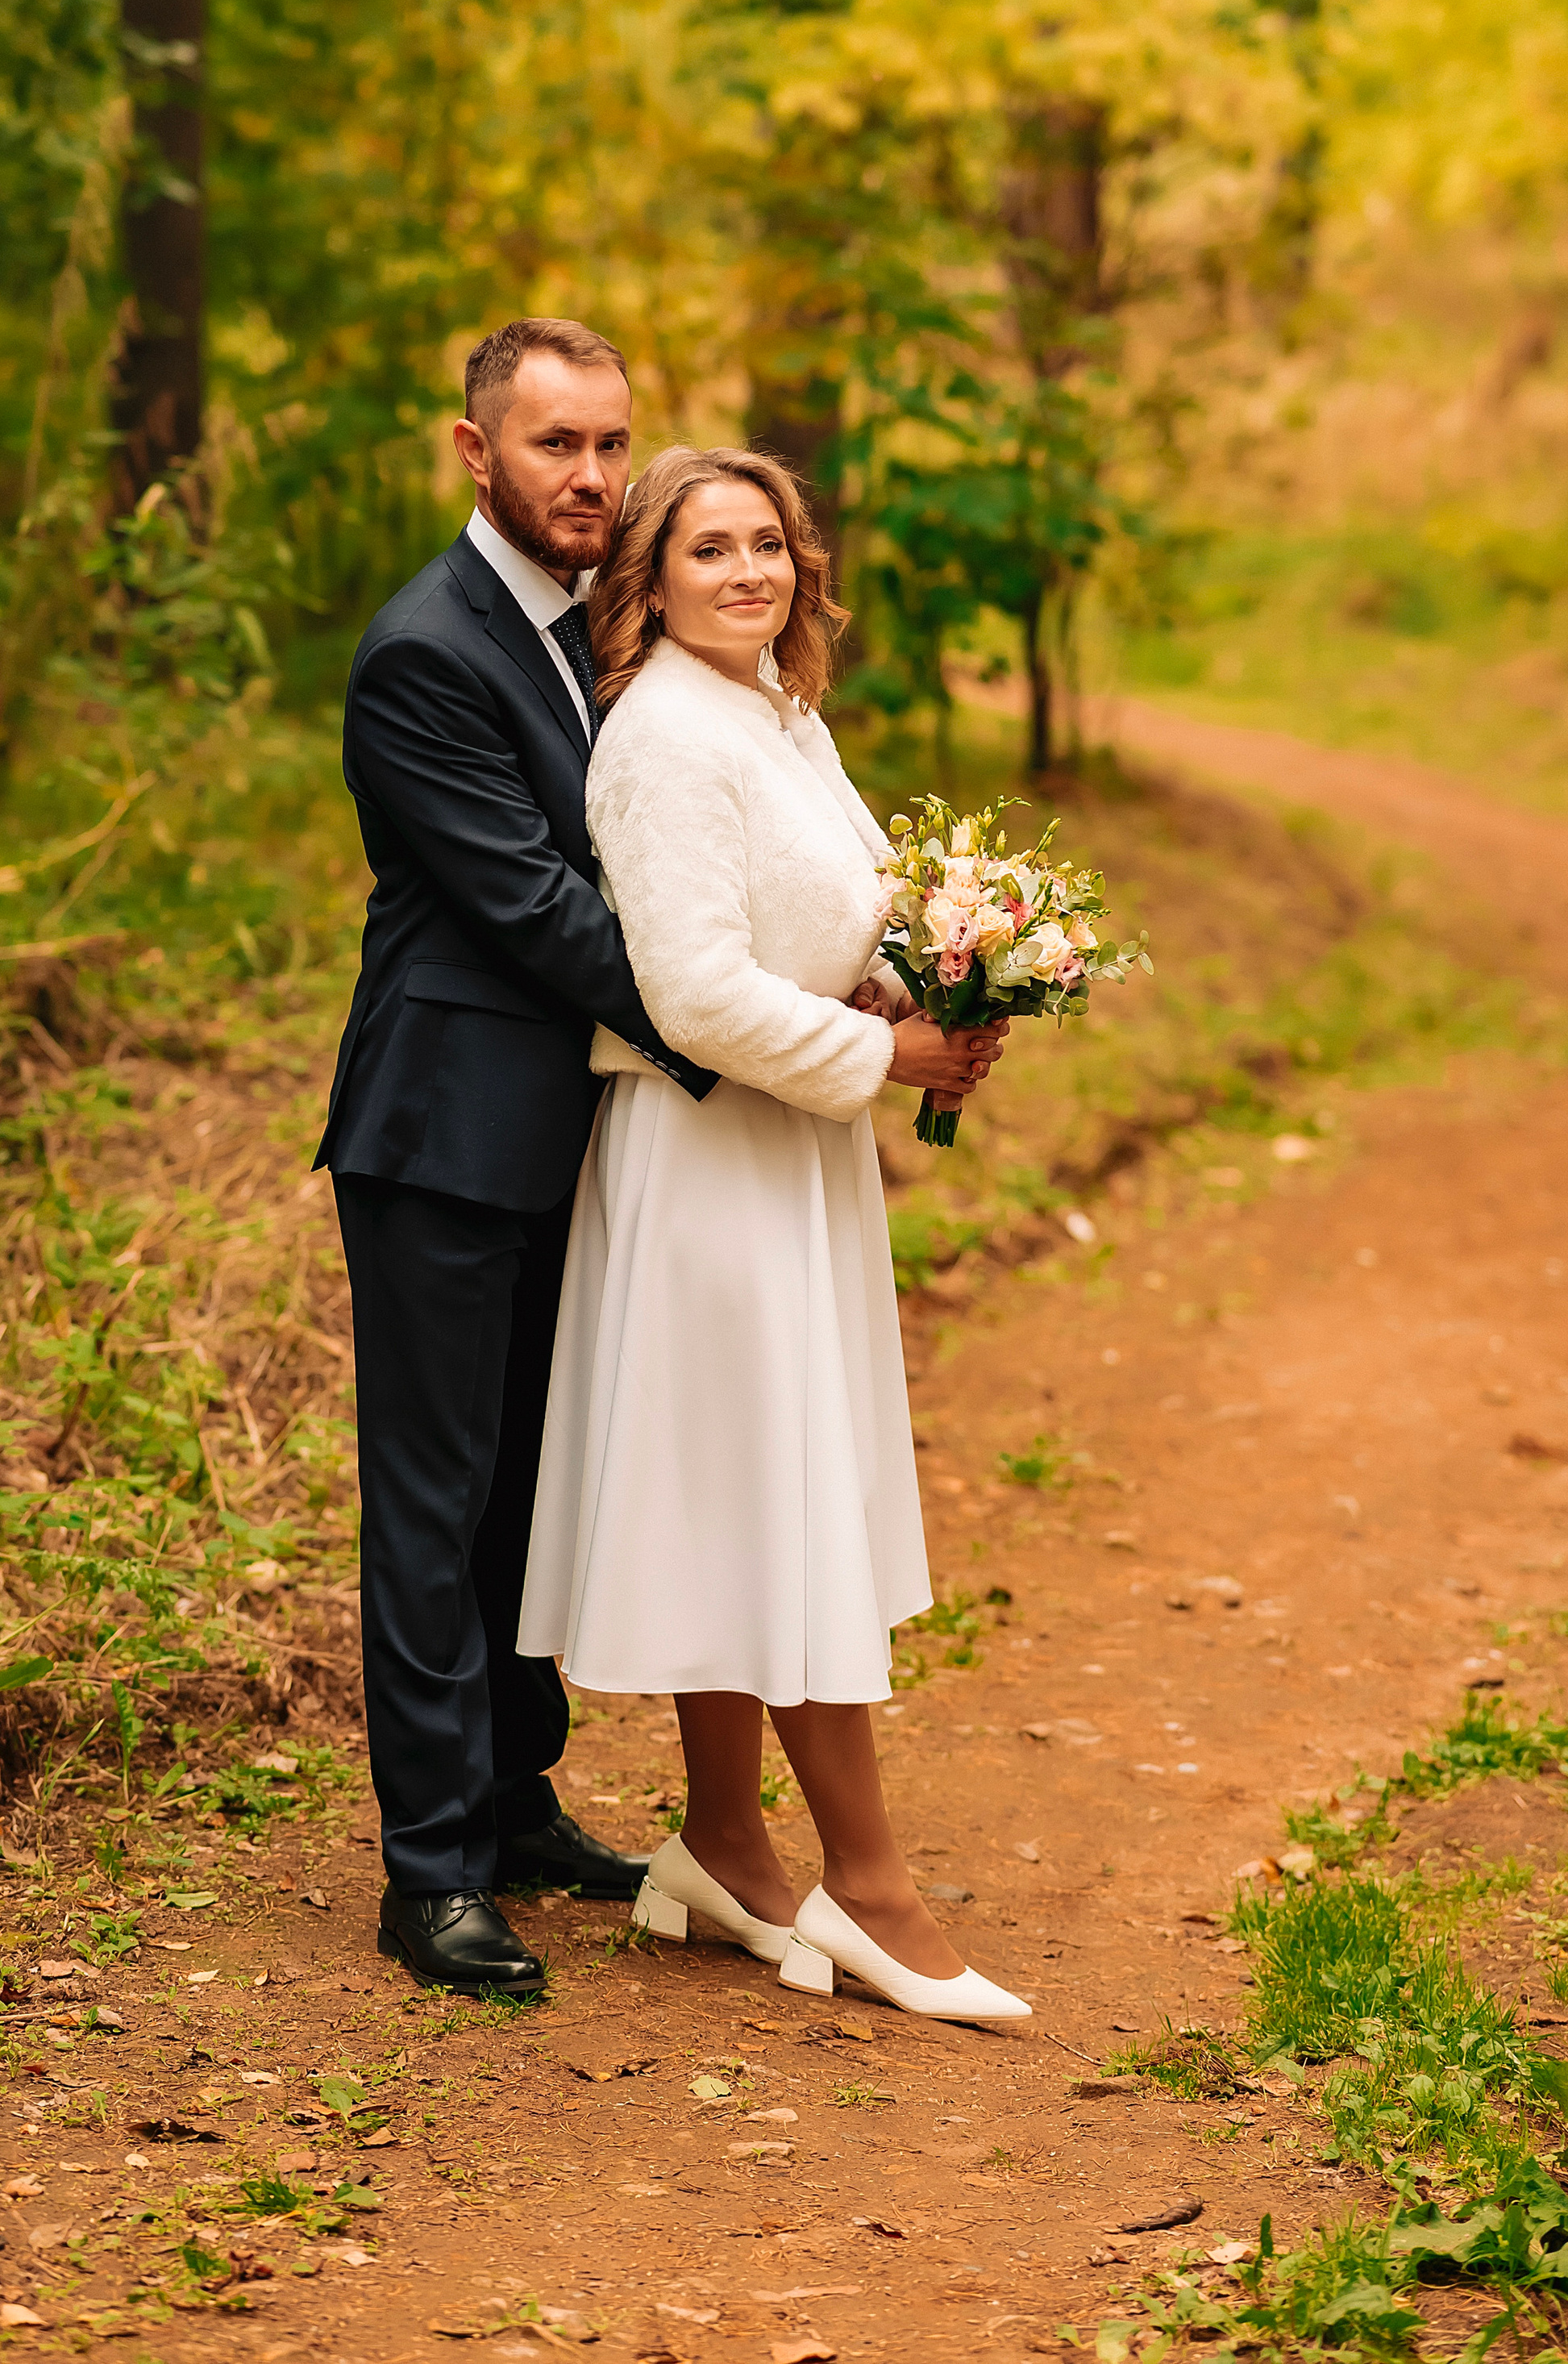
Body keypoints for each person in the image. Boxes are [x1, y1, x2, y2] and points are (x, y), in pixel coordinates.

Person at [518, 445, 1029, 2025]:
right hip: (710, 1170)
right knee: (783, 1502)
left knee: (752, 1495)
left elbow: (832, 913)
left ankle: (727, 1846)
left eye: (767, 545)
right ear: (648, 582)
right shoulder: (665, 737)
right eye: (707, 548)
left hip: (791, 1157)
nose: (746, 571)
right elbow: (688, 990)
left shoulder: (779, 716)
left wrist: (933, 979)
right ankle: (867, 1891)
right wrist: (882, 1057)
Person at [317, 318, 723, 2000]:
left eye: (612, 443)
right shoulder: (427, 651)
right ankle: (428, 1873)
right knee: (434, 1496)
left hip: (565, 1127)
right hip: (440, 1127)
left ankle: (508, 1795)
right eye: (556, 445)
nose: (592, 477)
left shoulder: (598, 628)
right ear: (473, 451)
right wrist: (756, 1028)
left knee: (524, 1494)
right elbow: (541, 913)